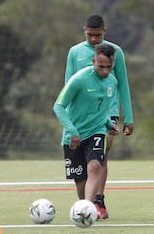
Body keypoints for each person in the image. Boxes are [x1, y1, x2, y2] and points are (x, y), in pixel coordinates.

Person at [65, 14, 134, 219]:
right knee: (87, 163)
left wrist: (128, 117)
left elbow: (123, 84)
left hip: (108, 112)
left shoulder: (115, 52)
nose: (94, 39)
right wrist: (70, 124)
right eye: (89, 35)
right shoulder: (75, 52)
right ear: (84, 31)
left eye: (97, 35)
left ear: (105, 31)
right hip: (81, 116)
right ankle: (86, 202)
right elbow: (68, 85)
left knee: (100, 155)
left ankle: (98, 201)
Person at [53, 44, 120, 207]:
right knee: (81, 182)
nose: (105, 71)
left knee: (95, 166)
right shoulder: (79, 80)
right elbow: (58, 106)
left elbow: (101, 107)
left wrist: (107, 124)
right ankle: (83, 206)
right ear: (93, 61)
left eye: (109, 67)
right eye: (101, 67)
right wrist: (72, 130)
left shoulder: (112, 82)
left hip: (96, 132)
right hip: (73, 136)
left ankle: (88, 209)